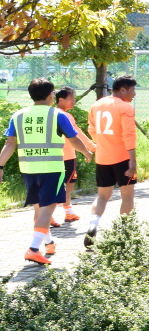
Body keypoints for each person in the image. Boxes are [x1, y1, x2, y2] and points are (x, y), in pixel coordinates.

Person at [0, 79, 92, 265]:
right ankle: (33, 249)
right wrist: (87, 152)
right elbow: (74, 140)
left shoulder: (18, 115)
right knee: (48, 208)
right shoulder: (57, 115)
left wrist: (0, 166)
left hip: (28, 169)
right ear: (51, 95)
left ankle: (48, 243)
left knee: (39, 208)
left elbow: (10, 144)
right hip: (51, 169)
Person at [85, 75, 140, 246]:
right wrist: (132, 161)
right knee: (127, 197)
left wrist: (101, 144)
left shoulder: (97, 105)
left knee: (102, 196)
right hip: (123, 158)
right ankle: (124, 233)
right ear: (122, 90)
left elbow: (91, 129)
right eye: (132, 90)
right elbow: (129, 135)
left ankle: (93, 224)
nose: (134, 94)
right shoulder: (125, 107)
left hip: (103, 158)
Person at [52, 86, 94, 227]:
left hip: (51, 156)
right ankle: (50, 214)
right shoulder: (65, 116)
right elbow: (77, 135)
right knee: (67, 187)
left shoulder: (50, 114)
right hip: (67, 156)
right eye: (71, 98)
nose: (73, 101)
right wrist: (91, 147)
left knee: (56, 187)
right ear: (60, 99)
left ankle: (68, 213)